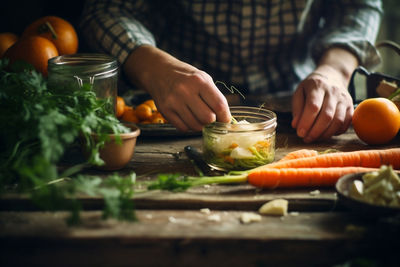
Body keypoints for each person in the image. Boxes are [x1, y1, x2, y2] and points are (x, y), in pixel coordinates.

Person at [79, 0, 382, 143]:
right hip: (173, 115)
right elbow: (105, 9)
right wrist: (154, 68)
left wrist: (334, 70)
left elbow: (358, 6)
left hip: (295, 104)